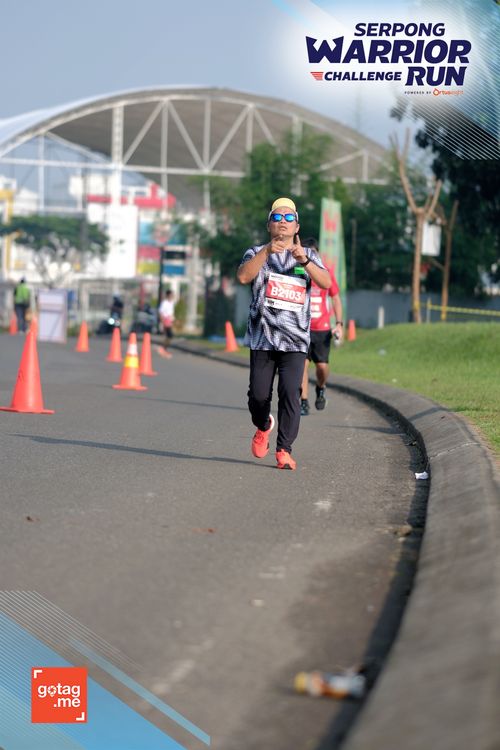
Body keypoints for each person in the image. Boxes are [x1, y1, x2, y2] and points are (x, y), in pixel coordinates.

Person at [237, 198, 331, 470]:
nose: (283, 222)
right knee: (258, 396)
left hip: (295, 341)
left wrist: (305, 261)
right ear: (269, 225)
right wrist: (267, 252)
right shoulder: (256, 252)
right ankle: (263, 425)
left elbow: (326, 282)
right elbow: (243, 277)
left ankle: (284, 450)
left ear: (297, 226)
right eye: (277, 217)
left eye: (289, 218)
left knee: (291, 393)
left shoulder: (309, 255)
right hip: (263, 338)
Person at [300, 238, 344, 415]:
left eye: (313, 253)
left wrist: (339, 324)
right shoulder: (297, 271)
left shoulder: (325, 273)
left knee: (322, 367)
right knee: (302, 366)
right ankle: (303, 401)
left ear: (317, 254)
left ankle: (321, 387)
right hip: (302, 328)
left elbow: (335, 298)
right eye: (306, 253)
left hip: (322, 329)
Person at [157, 289, 175, 359]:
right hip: (165, 320)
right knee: (169, 335)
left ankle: (164, 349)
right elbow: (161, 312)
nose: (172, 296)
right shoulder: (164, 303)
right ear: (168, 295)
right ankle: (163, 349)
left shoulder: (171, 303)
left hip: (170, 320)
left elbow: (171, 312)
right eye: (171, 295)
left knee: (169, 336)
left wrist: (172, 319)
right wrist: (162, 322)